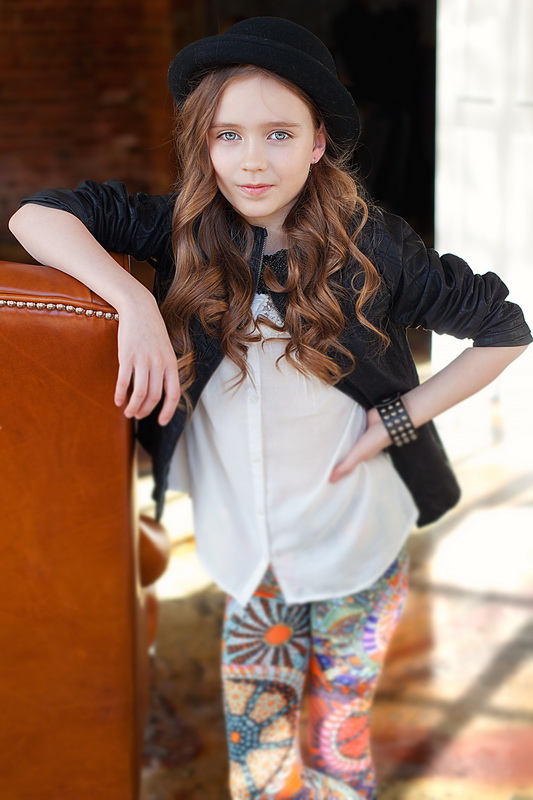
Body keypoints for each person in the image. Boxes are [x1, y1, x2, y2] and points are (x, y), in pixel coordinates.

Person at [8, 17, 531, 800]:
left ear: (317, 142)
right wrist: (135, 303)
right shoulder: (177, 233)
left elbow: (504, 329)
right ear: (205, 143)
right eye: (228, 135)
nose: (252, 159)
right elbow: (34, 217)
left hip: (356, 546)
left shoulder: (374, 248)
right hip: (250, 559)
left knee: (338, 750)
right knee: (257, 764)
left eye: (278, 134)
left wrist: (396, 420)